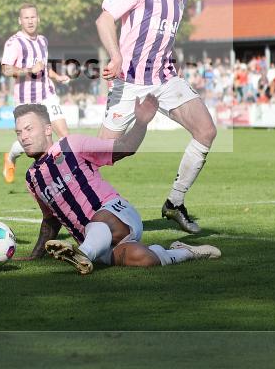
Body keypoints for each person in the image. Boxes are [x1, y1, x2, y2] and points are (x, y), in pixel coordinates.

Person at [94, 0, 217, 233]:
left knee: (206, 131)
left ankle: (174, 203)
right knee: (97, 156)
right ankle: (71, 211)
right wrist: (115, 56)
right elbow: (104, 19)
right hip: (129, 83)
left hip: (164, 79)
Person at [15, 95, 221, 274]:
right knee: (143, 258)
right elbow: (51, 220)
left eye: (29, 129)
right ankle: (187, 252)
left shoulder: (71, 145)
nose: (23, 137)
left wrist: (140, 123)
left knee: (100, 220)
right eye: (18, 132)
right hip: (95, 244)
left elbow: (125, 147)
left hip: (116, 214)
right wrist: (35, 256)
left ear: (48, 128)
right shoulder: (32, 178)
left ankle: (81, 254)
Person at [0, 4, 71, 183]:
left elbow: (44, 65)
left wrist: (57, 76)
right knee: (33, 143)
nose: (30, 21)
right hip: (26, 99)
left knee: (64, 135)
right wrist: (30, 69)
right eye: (26, 18)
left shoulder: (43, 40)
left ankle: (65, 176)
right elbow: (6, 70)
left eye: (33, 17)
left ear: (38, 19)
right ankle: (11, 156)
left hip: (47, 94)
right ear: (20, 21)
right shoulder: (14, 42)